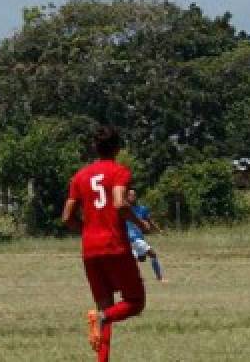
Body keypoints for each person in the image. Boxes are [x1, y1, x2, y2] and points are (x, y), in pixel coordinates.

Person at [62, 126, 151, 362]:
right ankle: (102, 318)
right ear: (118, 148)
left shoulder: (80, 176)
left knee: (105, 308)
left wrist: (86, 229)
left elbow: (66, 217)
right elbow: (120, 203)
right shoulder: (119, 171)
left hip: (90, 249)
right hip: (115, 245)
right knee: (135, 301)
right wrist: (140, 223)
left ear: (95, 147)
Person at [125, 189, 164, 282]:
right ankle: (155, 278)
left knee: (143, 258)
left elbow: (150, 220)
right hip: (130, 239)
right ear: (126, 197)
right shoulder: (124, 209)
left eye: (134, 195)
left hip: (139, 238)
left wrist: (158, 230)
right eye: (130, 195)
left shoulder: (142, 209)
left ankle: (155, 278)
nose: (132, 197)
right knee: (150, 254)